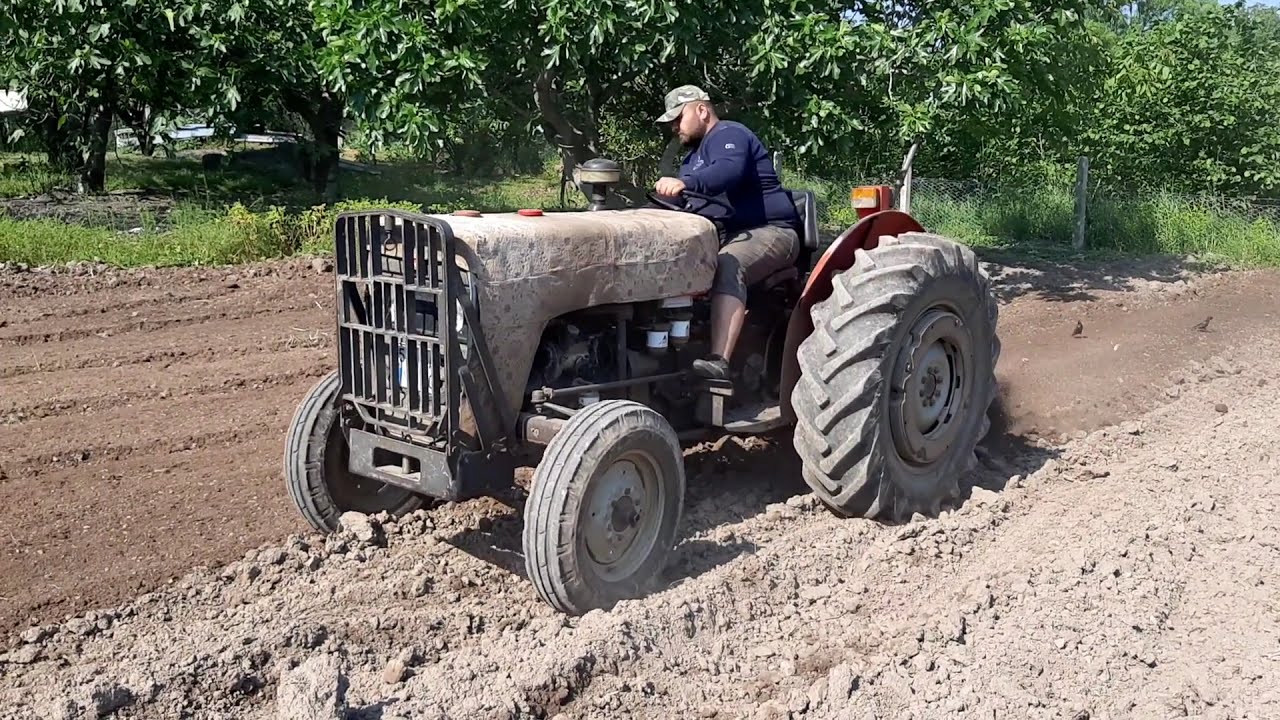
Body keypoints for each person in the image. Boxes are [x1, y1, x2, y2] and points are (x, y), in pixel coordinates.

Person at [652, 84, 801, 381]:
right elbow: (687, 199)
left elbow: (727, 172)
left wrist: (686, 183)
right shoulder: (692, 159)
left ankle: (718, 362)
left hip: (771, 230)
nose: (674, 128)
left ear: (702, 110)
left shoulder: (730, 135)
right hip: (725, 234)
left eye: (678, 119)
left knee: (728, 264)